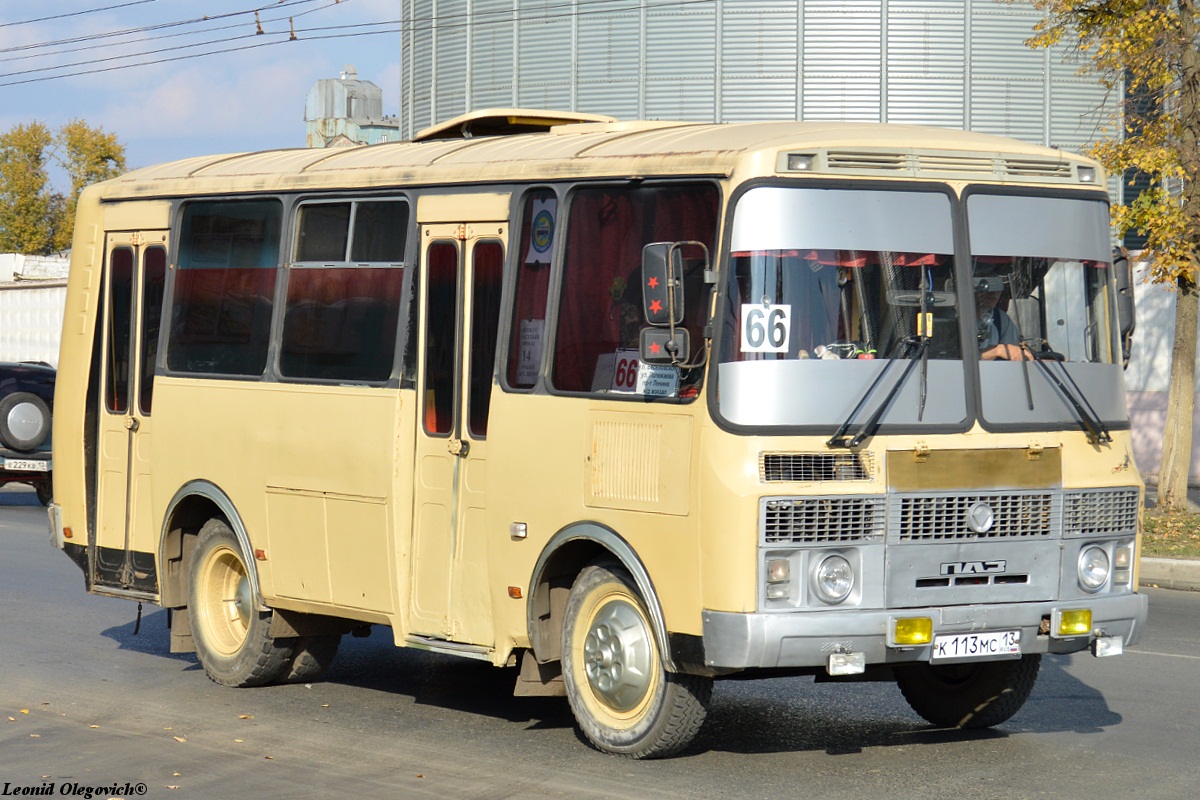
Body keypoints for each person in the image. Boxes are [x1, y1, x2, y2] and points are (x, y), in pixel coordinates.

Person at [973, 267, 1032, 361]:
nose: (994, 293)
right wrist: (997, 350)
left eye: (998, 287)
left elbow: (1015, 354)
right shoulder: (951, 318)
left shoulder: (1000, 319)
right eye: (987, 286)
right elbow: (953, 359)